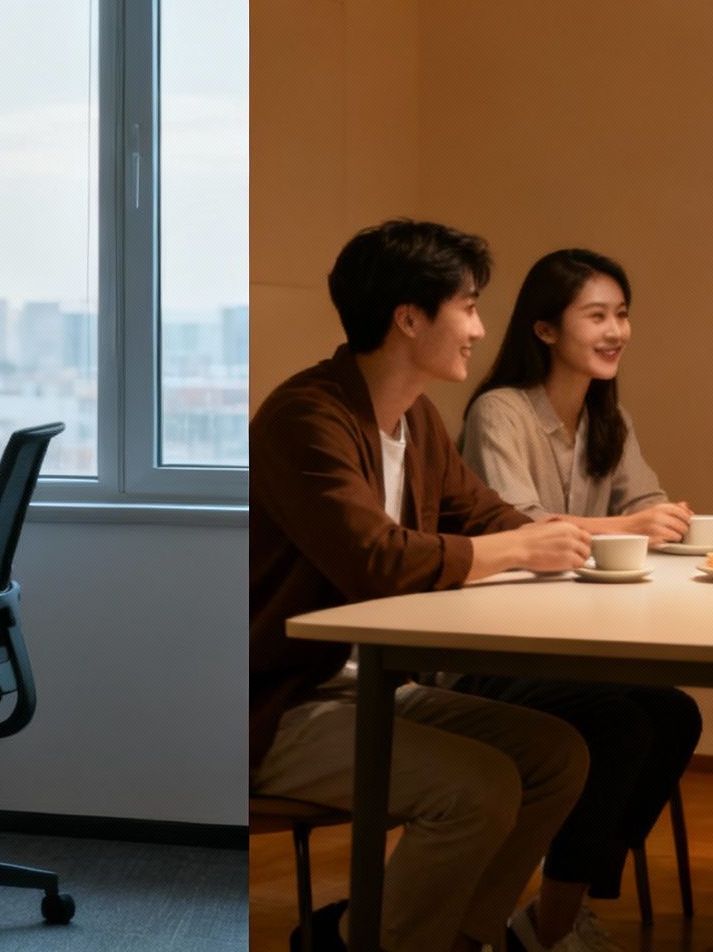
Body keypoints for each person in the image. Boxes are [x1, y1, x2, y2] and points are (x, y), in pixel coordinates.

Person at [250, 219, 594, 952]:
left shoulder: (416, 418)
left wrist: (569, 543)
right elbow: (376, 560)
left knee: (557, 755)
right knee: (475, 790)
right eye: (467, 306)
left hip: (369, 683)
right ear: (409, 318)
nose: (478, 328)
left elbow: (485, 515)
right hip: (279, 701)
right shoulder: (305, 417)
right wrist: (519, 546)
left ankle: (447, 938)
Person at [451, 248, 703, 952]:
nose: (616, 330)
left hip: (571, 642)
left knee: (674, 714)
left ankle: (556, 911)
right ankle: (554, 924)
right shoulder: (500, 411)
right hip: (491, 652)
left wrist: (666, 519)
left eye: (622, 314)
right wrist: (630, 526)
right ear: (545, 329)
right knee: (620, 724)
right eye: (597, 316)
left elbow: (647, 501)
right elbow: (517, 526)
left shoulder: (605, 418)